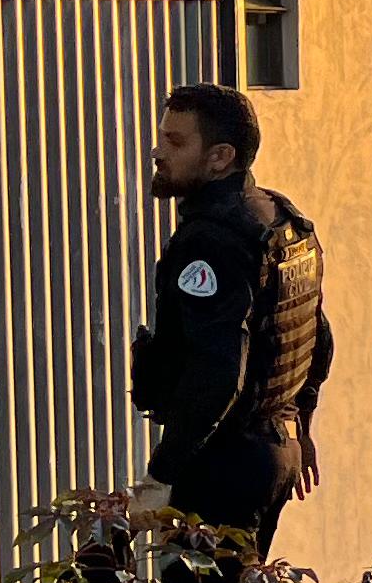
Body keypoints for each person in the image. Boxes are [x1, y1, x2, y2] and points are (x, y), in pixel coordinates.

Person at [135, 82, 333, 552]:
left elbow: (219, 372)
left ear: (220, 157)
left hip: (223, 464)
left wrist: (161, 475)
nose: (158, 152)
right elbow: (317, 339)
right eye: (162, 137)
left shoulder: (210, 241)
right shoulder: (280, 217)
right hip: (272, 449)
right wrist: (299, 427)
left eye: (176, 142)